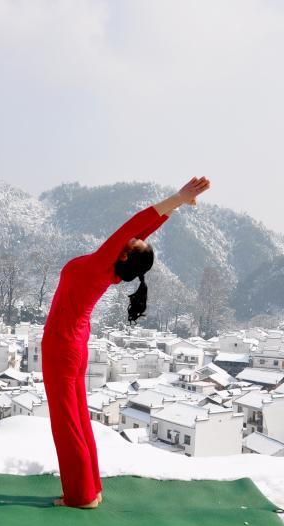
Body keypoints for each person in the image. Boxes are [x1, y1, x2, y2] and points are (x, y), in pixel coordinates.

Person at [43, 176, 211, 508]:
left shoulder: (99, 265)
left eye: (132, 243)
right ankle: (90, 487)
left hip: (61, 348)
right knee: (77, 419)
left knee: (66, 424)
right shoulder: (111, 268)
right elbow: (140, 233)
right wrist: (173, 208)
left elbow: (133, 225)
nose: (133, 238)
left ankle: (79, 496)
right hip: (74, 347)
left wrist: (176, 198)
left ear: (122, 256)